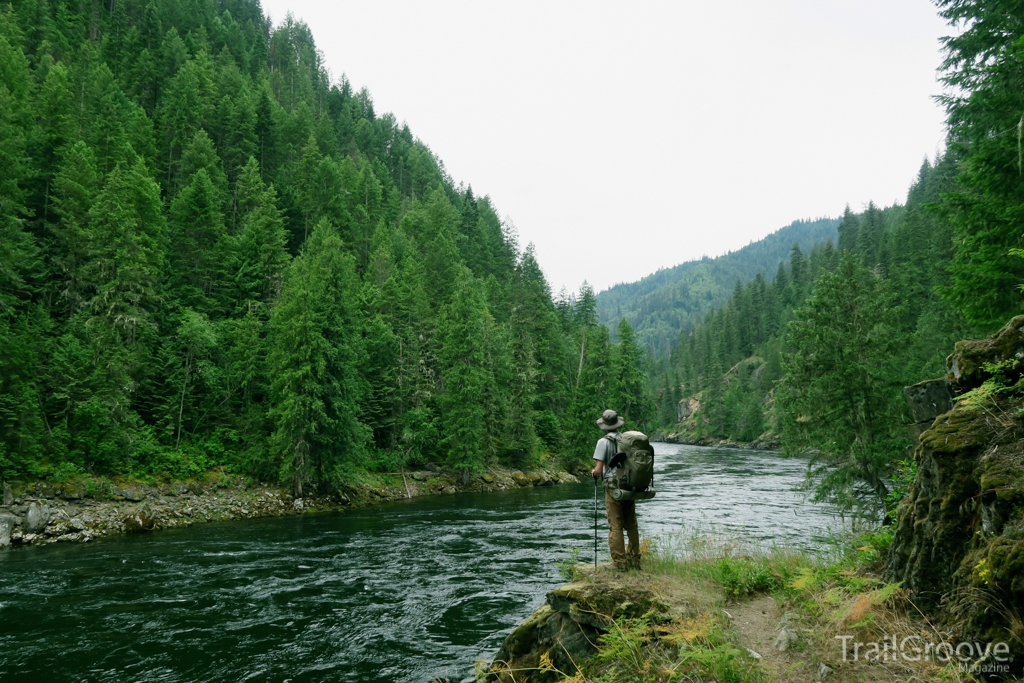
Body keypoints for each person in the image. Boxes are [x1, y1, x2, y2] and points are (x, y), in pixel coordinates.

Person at [590, 409, 641, 571]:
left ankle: (620, 562)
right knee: (631, 524)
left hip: (613, 486)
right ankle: (635, 559)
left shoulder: (603, 442)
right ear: (617, 425)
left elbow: (598, 470)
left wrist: (593, 473)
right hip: (629, 485)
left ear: (605, 426)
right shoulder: (626, 440)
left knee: (616, 525)